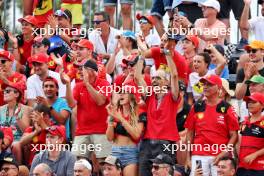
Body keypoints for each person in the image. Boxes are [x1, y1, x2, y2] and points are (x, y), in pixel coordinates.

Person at [136, 36, 181, 176]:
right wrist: (142, 56)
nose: (154, 81)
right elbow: (138, 77)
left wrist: (167, 53)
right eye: (153, 78)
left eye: (158, 78)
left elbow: (174, 75)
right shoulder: (149, 95)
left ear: (166, 83)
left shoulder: (172, 96)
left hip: (166, 142)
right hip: (148, 142)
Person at [61, 60, 112, 170]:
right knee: (77, 162)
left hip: (101, 130)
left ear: (92, 71)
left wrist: (88, 84)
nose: (78, 71)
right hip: (82, 131)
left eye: (81, 68)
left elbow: (100, 101)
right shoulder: (78, 86)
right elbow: (71, 104)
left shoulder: (104, 84)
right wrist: (68, 85)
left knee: (103, 163)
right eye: (78, 68)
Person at [185, 75, 239, 176]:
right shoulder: (197, 106)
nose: (205, 87)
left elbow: (234, 135)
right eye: (204, 84)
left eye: (209, 84)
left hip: (219, 155)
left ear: (218, 87)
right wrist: (187, 158)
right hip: (199, 154)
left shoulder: (227, 108)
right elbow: (190, 133)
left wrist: (224, 152)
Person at [106, 81, 145, 176]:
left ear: (132, 95)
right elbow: (109, 138)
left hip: (130, 152)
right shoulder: (116, 112)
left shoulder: (139, 113)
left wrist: (121, 119)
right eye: (120, 92)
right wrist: (111, 118)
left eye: (124, 91)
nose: (121, 94)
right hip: (115, 150)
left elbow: (136, 136)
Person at [237, 93, 264, 176]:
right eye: (248, 102)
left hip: (259, 168)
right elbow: (239, 143)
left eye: (254, 102)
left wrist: (255, 155)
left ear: (262, 105)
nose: (250, 104)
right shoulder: (244, 122)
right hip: (242, 167)